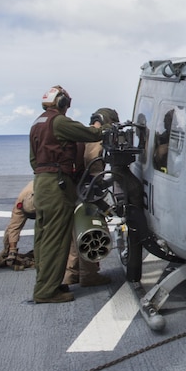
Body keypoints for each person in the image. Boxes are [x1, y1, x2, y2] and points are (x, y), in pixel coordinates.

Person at [29, 85, 103, 304]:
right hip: (56, 185)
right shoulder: (58, 121)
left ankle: (47, 282)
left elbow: (34, 160)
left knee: (43, 238)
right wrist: (102, 125)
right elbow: (91, 134)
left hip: (41, 183)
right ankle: (46, 291)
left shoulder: (37, 123)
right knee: (56, 239)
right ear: (61, 103)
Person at [63, 107, 120, 288]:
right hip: (87, 191)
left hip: (74, 189)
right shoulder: (95, 140)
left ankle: (71, 273)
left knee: (76, 233)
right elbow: (94, 167)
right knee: (89, 230)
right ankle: (89, 275)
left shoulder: (82, 135)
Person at [0, 179, 35, 262]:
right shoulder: (20, 203)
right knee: (13, 226)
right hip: (27, 199)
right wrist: (12, 251)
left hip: (40, 196)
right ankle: (9, 250)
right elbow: (14, 227)